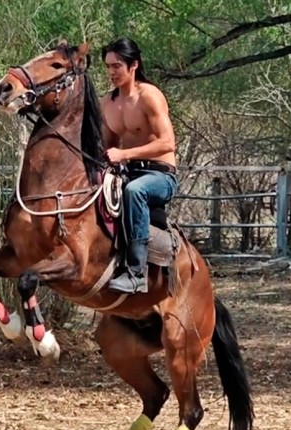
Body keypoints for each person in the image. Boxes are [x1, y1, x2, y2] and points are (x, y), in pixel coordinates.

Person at [99, 37, 179, 294]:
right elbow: (107, 146)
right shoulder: (107, 103)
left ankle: (137, 273)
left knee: (135, 191)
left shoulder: (150, 96)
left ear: (133, 65)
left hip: (160, 175)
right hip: (128, 171)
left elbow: (168, 143)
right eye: (108, 66)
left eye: (117, 66)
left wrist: (125, 154)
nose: (111, 72)